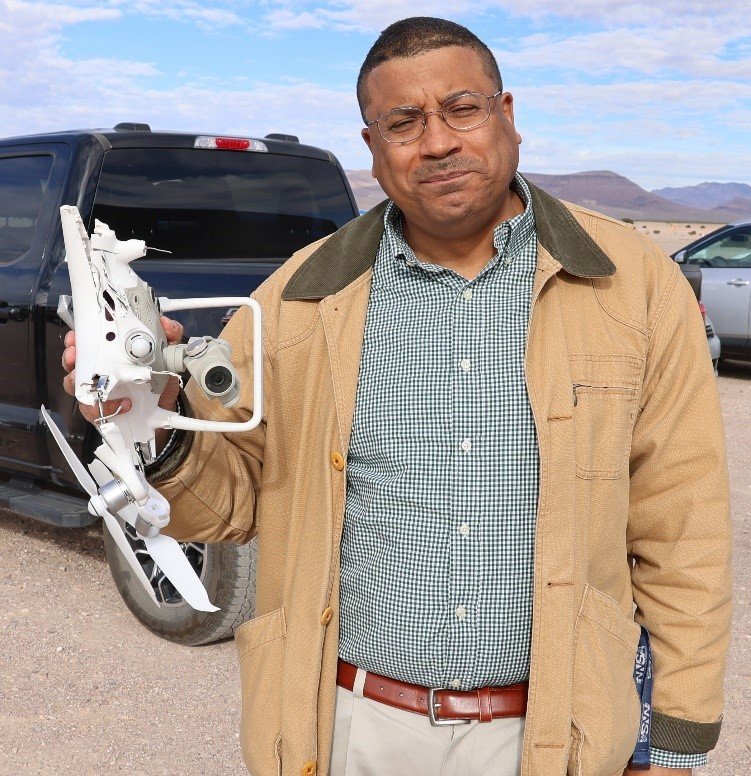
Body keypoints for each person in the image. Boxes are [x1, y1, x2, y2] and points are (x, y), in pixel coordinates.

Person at [64, 16, 732, 776]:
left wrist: (676, 742)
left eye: (461, 109)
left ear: (506, 117)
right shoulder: (298, 299)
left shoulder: (631, 282)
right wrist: (147, 417)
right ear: (373, 149)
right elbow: (231, 503)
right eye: (403, 123)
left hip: (559, 736)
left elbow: (683, 527)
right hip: (351, 729)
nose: (438, 141)